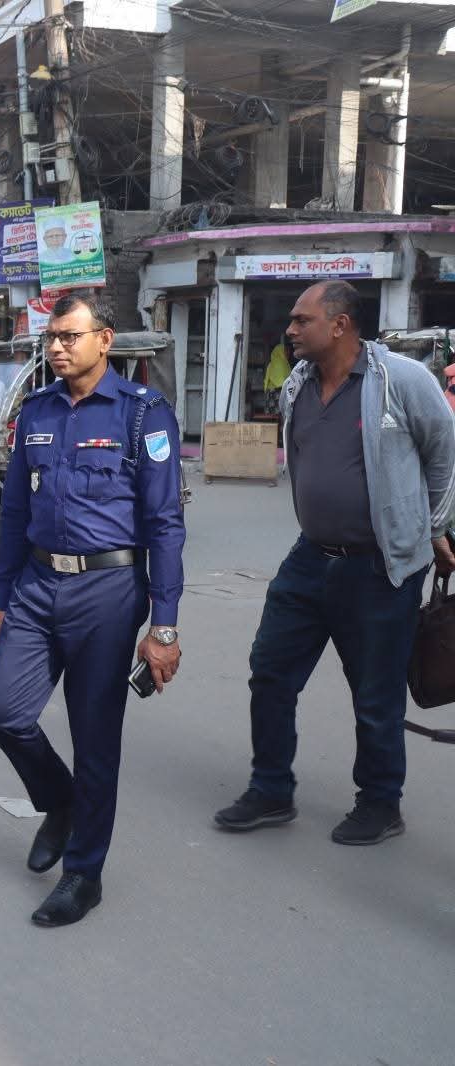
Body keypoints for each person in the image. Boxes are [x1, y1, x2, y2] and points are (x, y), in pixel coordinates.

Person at [213, 281, 455, 846]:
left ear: (340, 325)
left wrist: (438, 526)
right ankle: (271, 788)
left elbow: (445, 452)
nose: (291, 330)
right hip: (309, 557)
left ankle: (379, 803)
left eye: (302, 320)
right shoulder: (298, 383)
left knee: (375, 695)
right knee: (270, 670)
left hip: (381, 566)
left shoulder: (403, 380)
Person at [0, 291, 186, 927]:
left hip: (108, 592)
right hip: (38, 586)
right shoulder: (37, 411)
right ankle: (61, 804)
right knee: (4, 712)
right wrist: (2, 597)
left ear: (106, 338)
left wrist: (165, 624)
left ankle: (83, 874)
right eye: (51, 338)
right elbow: (14, 511)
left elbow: (164, 522)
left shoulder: (141, 415)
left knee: (96, 738)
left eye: (69, 336)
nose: (56, 347)